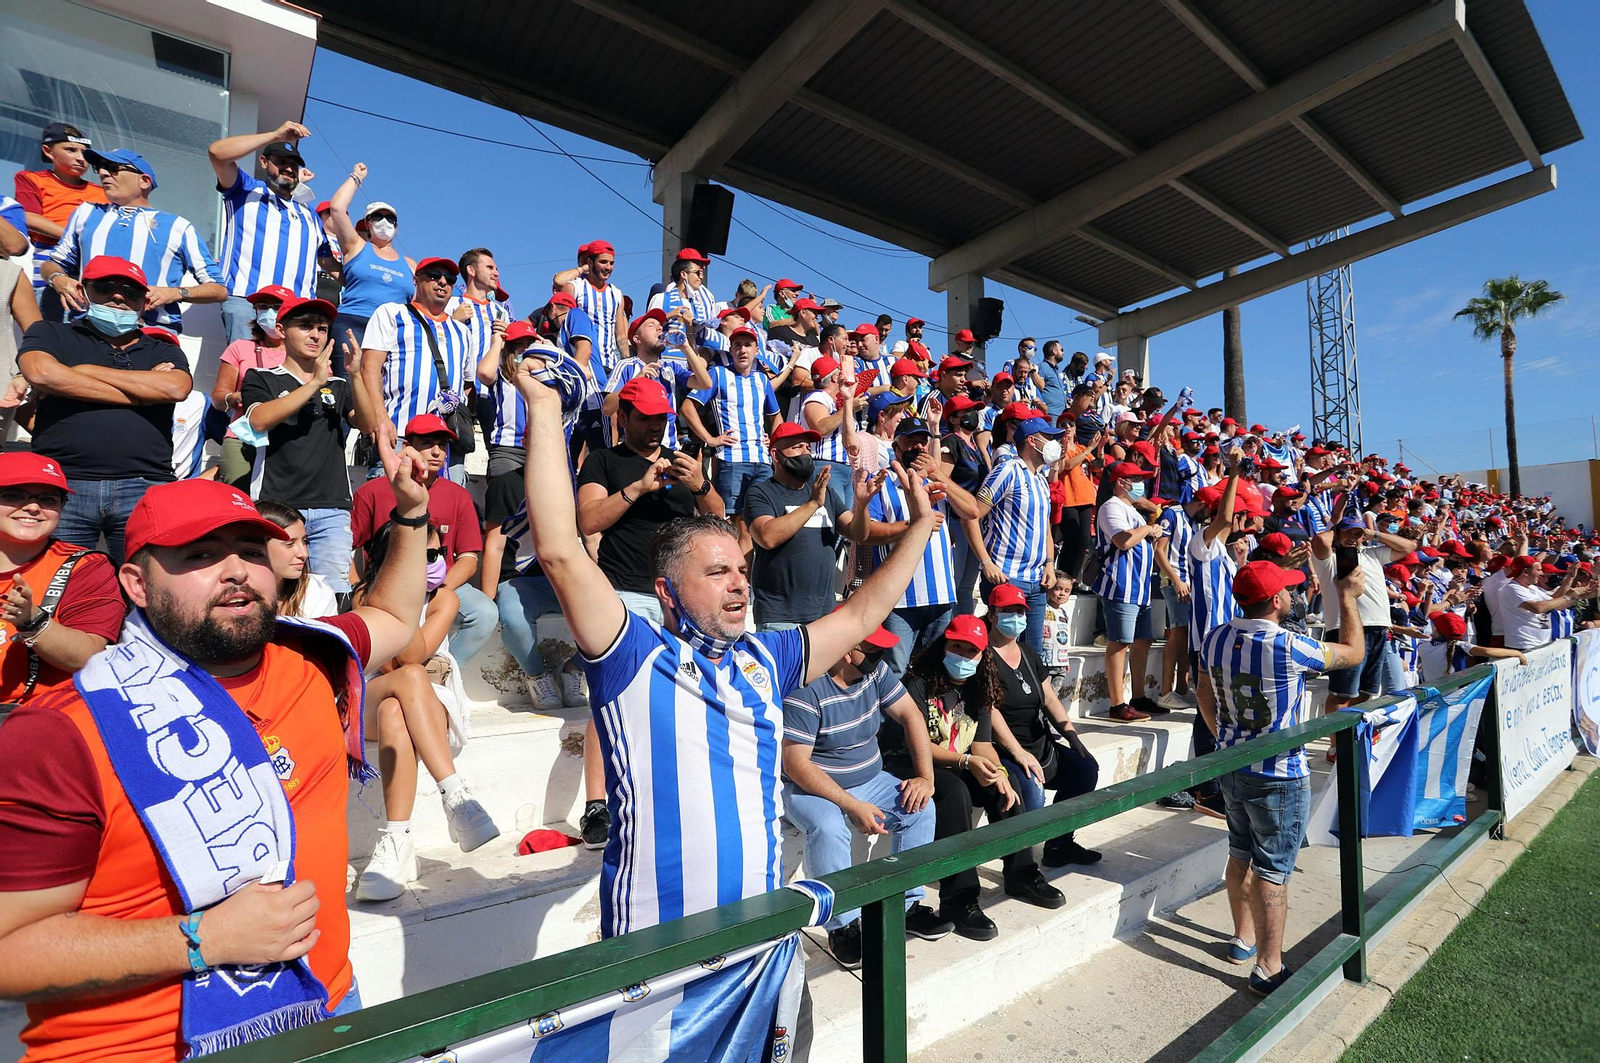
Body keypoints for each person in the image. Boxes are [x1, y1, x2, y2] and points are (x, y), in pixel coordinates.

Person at [0, 457, 427, 1058]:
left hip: (325, 1009)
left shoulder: (311, 656)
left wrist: (410, 513)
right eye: (198, 556)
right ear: (137, 585)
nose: (236, 572)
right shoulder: (60, 732)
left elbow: (396, 616)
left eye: (252, 551)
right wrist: (202, 940)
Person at [513, 347, 940, 944]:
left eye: (741, 570)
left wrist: (921, 524)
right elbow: (559, 547)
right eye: (717, 573)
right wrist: (542, 407)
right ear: (666, 591)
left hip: (761, 944)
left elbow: (866, 609)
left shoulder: (768, 658)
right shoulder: (634, 656)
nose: (740, 582)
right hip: (658, 954)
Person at [1200, 560, 1366, 996]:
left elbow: (1202, 688)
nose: (1293, 595)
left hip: (1230, 764)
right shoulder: (1290, 645)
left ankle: (1242, 938)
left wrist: (1221, 733)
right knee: (1272, 871)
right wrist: (1346, 598)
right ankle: (1268, 968)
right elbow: (1354, 652)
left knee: (1239, 854)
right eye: (1288, 591)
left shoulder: (1215, 635)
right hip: (1278, 773)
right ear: (1275, 601)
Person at [781, 622, 951, 967]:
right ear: (846, 648)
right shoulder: (807, 689)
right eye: (873, 648)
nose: (881, 655)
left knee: (920, 807)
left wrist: (925, 778)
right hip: (811, 786)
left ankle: (906, 906)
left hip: (869, 778)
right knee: (829, 828)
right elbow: (795, 764)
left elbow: (911, 716)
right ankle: (842, 926)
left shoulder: (875, 672)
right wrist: (850, 804)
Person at [888, 615, 1061, 941]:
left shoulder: (979, 685)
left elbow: (982, 743)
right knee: (954, 793)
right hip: (912, 763)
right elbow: (918, 744)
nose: (964, 656)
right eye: (957, 647)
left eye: (973, 651)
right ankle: (959, 898)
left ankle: (1021, 870)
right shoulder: (919, 683)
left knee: (1005, 786)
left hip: (958, 761)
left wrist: (998, 773)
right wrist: (967, 762)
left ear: (983, 655)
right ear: (944, 646)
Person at [353, 520, 500, 901]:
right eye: (422, 555)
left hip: (431, 703)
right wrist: (402, 596)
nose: (433, 563)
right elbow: (390, 665)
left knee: (395, 710)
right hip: (370, 695)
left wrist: (404, 605)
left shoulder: (445, 600)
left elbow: (409, 654)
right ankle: (455, 795)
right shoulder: (365, 596)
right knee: (407, 681)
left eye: (435, 555)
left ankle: (397, 841)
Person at [18, 256, 192, 564]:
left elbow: (175, 388)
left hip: (144, 487)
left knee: (146, 591)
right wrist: (139, 394)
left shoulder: (164, 349)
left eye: (131, 292)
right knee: (60, 587)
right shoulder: (51, 333)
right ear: (84, 291)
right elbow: (42, 372)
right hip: (63, 485)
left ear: (143, 302)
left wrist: (81, 370)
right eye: (105, 287)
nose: (118, 296)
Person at [240, 295, 378, 593]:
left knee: (334, 595)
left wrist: (355, 376)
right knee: (272, 594)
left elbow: (367, 425)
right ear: (281, 329)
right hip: (278, 505)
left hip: (332, 507)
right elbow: (259, 421)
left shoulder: (339, 385)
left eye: (322, 328)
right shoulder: (261, 377)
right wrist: (314, 382)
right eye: (305, 326)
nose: (316, 334)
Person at [351, 416, 496, 667]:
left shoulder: (458, 495)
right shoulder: (372, 491)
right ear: (408, 446)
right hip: (385, 585)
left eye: (442, 445)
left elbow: (469, 558)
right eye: (427, 443)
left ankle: (444, 670)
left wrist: (438, 588)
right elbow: (348, 547)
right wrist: (357, 587)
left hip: (441, 585)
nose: (437, 452)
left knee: (485, 613)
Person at [38, 148, 225, 333]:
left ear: (144, 181)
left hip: (152, 332)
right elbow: (53, 264)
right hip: (88, 327)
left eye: (113, 168)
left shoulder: (178, 226)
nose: (103, 173)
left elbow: (218, 289)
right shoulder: (85, 213)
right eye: (100, 167)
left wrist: (176, 293)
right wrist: (58, 279)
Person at [982, 583, 1101, 866]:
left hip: (1040, 743)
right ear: (992, 615)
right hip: (1003, 749)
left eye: (1020, 611)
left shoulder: (1028, 653)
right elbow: (990, 711)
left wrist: (1071, 735)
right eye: (1007, 611)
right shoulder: (984, 655)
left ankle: (1060, 845)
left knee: (1085, 770)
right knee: (1032, 795)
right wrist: (1018, 753)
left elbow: (1048, 697)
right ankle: (1019, 866)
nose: (1015, 617)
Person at [0, 452, 123, 708]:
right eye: (13, 495)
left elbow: (88, 657)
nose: (33, 507)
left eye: (48, 499)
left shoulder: (86, 567)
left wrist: (31, 621)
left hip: (31, 715)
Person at [865, 416, 979, 674]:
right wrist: (915, 525)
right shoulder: (881, 482)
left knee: (930, 674)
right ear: (896, 448)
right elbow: (867, 532)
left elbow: (972, 510)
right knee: (895, 673)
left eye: (922, 443)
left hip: (941, 597)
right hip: (899, 600)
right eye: (910, 442)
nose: (917, 448)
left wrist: (939, 473)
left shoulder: (936, 482)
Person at [207, 122, 333, 342]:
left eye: (293, 165)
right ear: (264, 162)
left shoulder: (310, 215)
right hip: (248, 301)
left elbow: (328, 263)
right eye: (282, 162)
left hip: (296, 311)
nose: (288, 168)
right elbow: (217, 153)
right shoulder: (246, 190)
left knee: (290, 376)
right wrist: (275, 135)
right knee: (247, 373)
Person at [359, 257, 477, 483]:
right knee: (390, 507)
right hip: (401, 432)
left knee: (444, 511)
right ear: (416, 280)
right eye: (433, 275)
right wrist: (380, 417)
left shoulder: (462, 332)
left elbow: (467, 384)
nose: (442, 282)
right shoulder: (391, 313)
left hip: (447, 442)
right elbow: (370, 368)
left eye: (449, 279)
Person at [746, 422, 870, 630]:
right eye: (797, 448)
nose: (806, 453)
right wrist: (813, 504)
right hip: (780, 618)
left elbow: (857, 532)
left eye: (808, 448)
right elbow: (767, 537)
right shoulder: (761, 493)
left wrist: (863, 505)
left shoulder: (825, 493)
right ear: (776, 456)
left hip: (823, 615)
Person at [682, 325, 780, 553]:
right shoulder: (718, 374)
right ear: (731, 349)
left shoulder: (762, 380)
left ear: (757, 350)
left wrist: (773, 441)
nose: (742, 350)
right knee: (735, 524)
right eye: (737, 345)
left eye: (747, 345)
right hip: (732, 459)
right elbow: (688, 407)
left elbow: (776, 417)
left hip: (762, 461)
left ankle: (749, 582)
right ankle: (738, 581)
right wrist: (710, 439)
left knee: (760, 523)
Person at [974, 419, 1060, 655]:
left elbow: (1046, 530)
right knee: (1001, 650)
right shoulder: (1007, 470)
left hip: (1037, 581)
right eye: (1048, 437)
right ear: (1032, 440)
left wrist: (1050, 564)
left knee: (1032, 653)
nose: (1055, 443)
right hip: (1006, 576)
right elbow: (972, 515)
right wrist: (986, 562)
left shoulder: (1042, 481)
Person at [1092, 461, 1163, 721]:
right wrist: (1147, 529)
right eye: (1135, 478)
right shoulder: (1111, 506)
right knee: (1120, 642)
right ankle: (1117, 703)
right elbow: (1123, 541)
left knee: (1143, 641)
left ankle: (1138, 696)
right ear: (1121, 482)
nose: (1140, 484)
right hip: (1120, 586)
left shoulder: (1131, 509)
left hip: (1139, 588)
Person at [13, 122, 107, 321]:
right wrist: (74, 236)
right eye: (71, 150)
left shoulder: (102, 192)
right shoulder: (32, 179)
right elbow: (29, 217)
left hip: (91, 267)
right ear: (48, 151)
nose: (80, 158)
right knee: (53, 325)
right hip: (49, 261)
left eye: (85, 153)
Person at [208, 283, 292, 487]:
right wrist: (239, 397)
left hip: (289, 443)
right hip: (243, 439)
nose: (269, 312)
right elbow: (219, 398)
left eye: (277, 306)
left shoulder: (308, 354)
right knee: (240, 506)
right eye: (263, 306)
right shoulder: (240, 348)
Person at [326, 165, 415, 354]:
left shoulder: (410, 264)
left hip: (394, 331)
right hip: (354, 323)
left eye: (390, 219)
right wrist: (357, 177)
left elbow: (420, 303)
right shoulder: (356, 246)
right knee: (348, 382)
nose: (385, 222)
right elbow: (337, 208)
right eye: (378, 217)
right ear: (368, 223)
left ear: (396, 227)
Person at [554, 239, 628, 379]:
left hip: (609, 366)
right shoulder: (575, 287)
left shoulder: (617, 294)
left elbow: (621, 335)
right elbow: (563, 324)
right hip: (581, 365)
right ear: (589, 263)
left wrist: (626, 361)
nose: (608, 267)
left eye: (611, 263)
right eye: (603, 262)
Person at [257, 499, 340, 619]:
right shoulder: (233, 595)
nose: (304, 553)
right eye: (290, 544)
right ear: (259, 547)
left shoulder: (316, 593)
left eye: (304, 541)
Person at [1498, 554, 1598, 650]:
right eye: (1539, 570)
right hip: (1524, 644)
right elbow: (1537, 608)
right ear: (1525, 572)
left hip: (1541, 643)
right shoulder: (1512, 588)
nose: (1541, 573)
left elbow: (1555, 603)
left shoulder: (1532, 588)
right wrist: (1568, 596)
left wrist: (1577, 594)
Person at [647, 247, 717, 346]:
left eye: (702, 272)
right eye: (697, 273)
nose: (701, 277)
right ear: (684, 274)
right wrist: (668, 316)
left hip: (693, 358)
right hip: (665, 358)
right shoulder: (660, 299)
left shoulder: (705, 302)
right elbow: (648, 331)